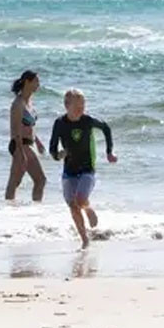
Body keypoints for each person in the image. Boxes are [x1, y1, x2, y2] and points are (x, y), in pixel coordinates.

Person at [49, 89, 117, 249]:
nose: (81, 109)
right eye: (77, 106)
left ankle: (88, 208)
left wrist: (109, 152)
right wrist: (58, 155)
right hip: (69, 170)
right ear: (67, 106)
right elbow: (52, 148)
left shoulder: (88, 121)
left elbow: (106, 128)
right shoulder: (60, 123)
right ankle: (85, 240)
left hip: (87, 168)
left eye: (83, 105)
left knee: (80, 200)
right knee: (72, 206)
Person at [5, 70, 47, 202]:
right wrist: (21, 152)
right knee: (39, 179)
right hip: (20, 144)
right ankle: (29, 208)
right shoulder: (18, 104)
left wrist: (38, 142)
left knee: (16, 181)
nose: (38, 85)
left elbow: (30, 126)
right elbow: (16, 129)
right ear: (27, 82)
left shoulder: (29, 102)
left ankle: (12, 207)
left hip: (29, 143)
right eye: (36, 82)